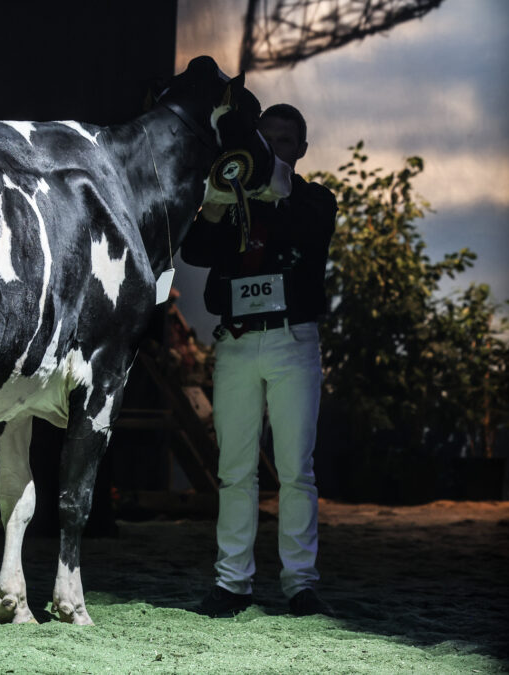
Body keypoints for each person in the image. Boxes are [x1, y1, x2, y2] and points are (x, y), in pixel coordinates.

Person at [181, 104, 337, 618]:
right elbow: (197, 250)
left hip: (293, 340)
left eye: (285, 141)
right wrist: (219, 199)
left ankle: (300, 583)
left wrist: (268, 184)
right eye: (265, 140)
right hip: (237, 341)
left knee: (295, 470)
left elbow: (309, 236)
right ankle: (232, 583)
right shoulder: (229, 197)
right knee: (235, 470)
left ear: (301, 149)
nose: (274, 148)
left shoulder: (315, 200)